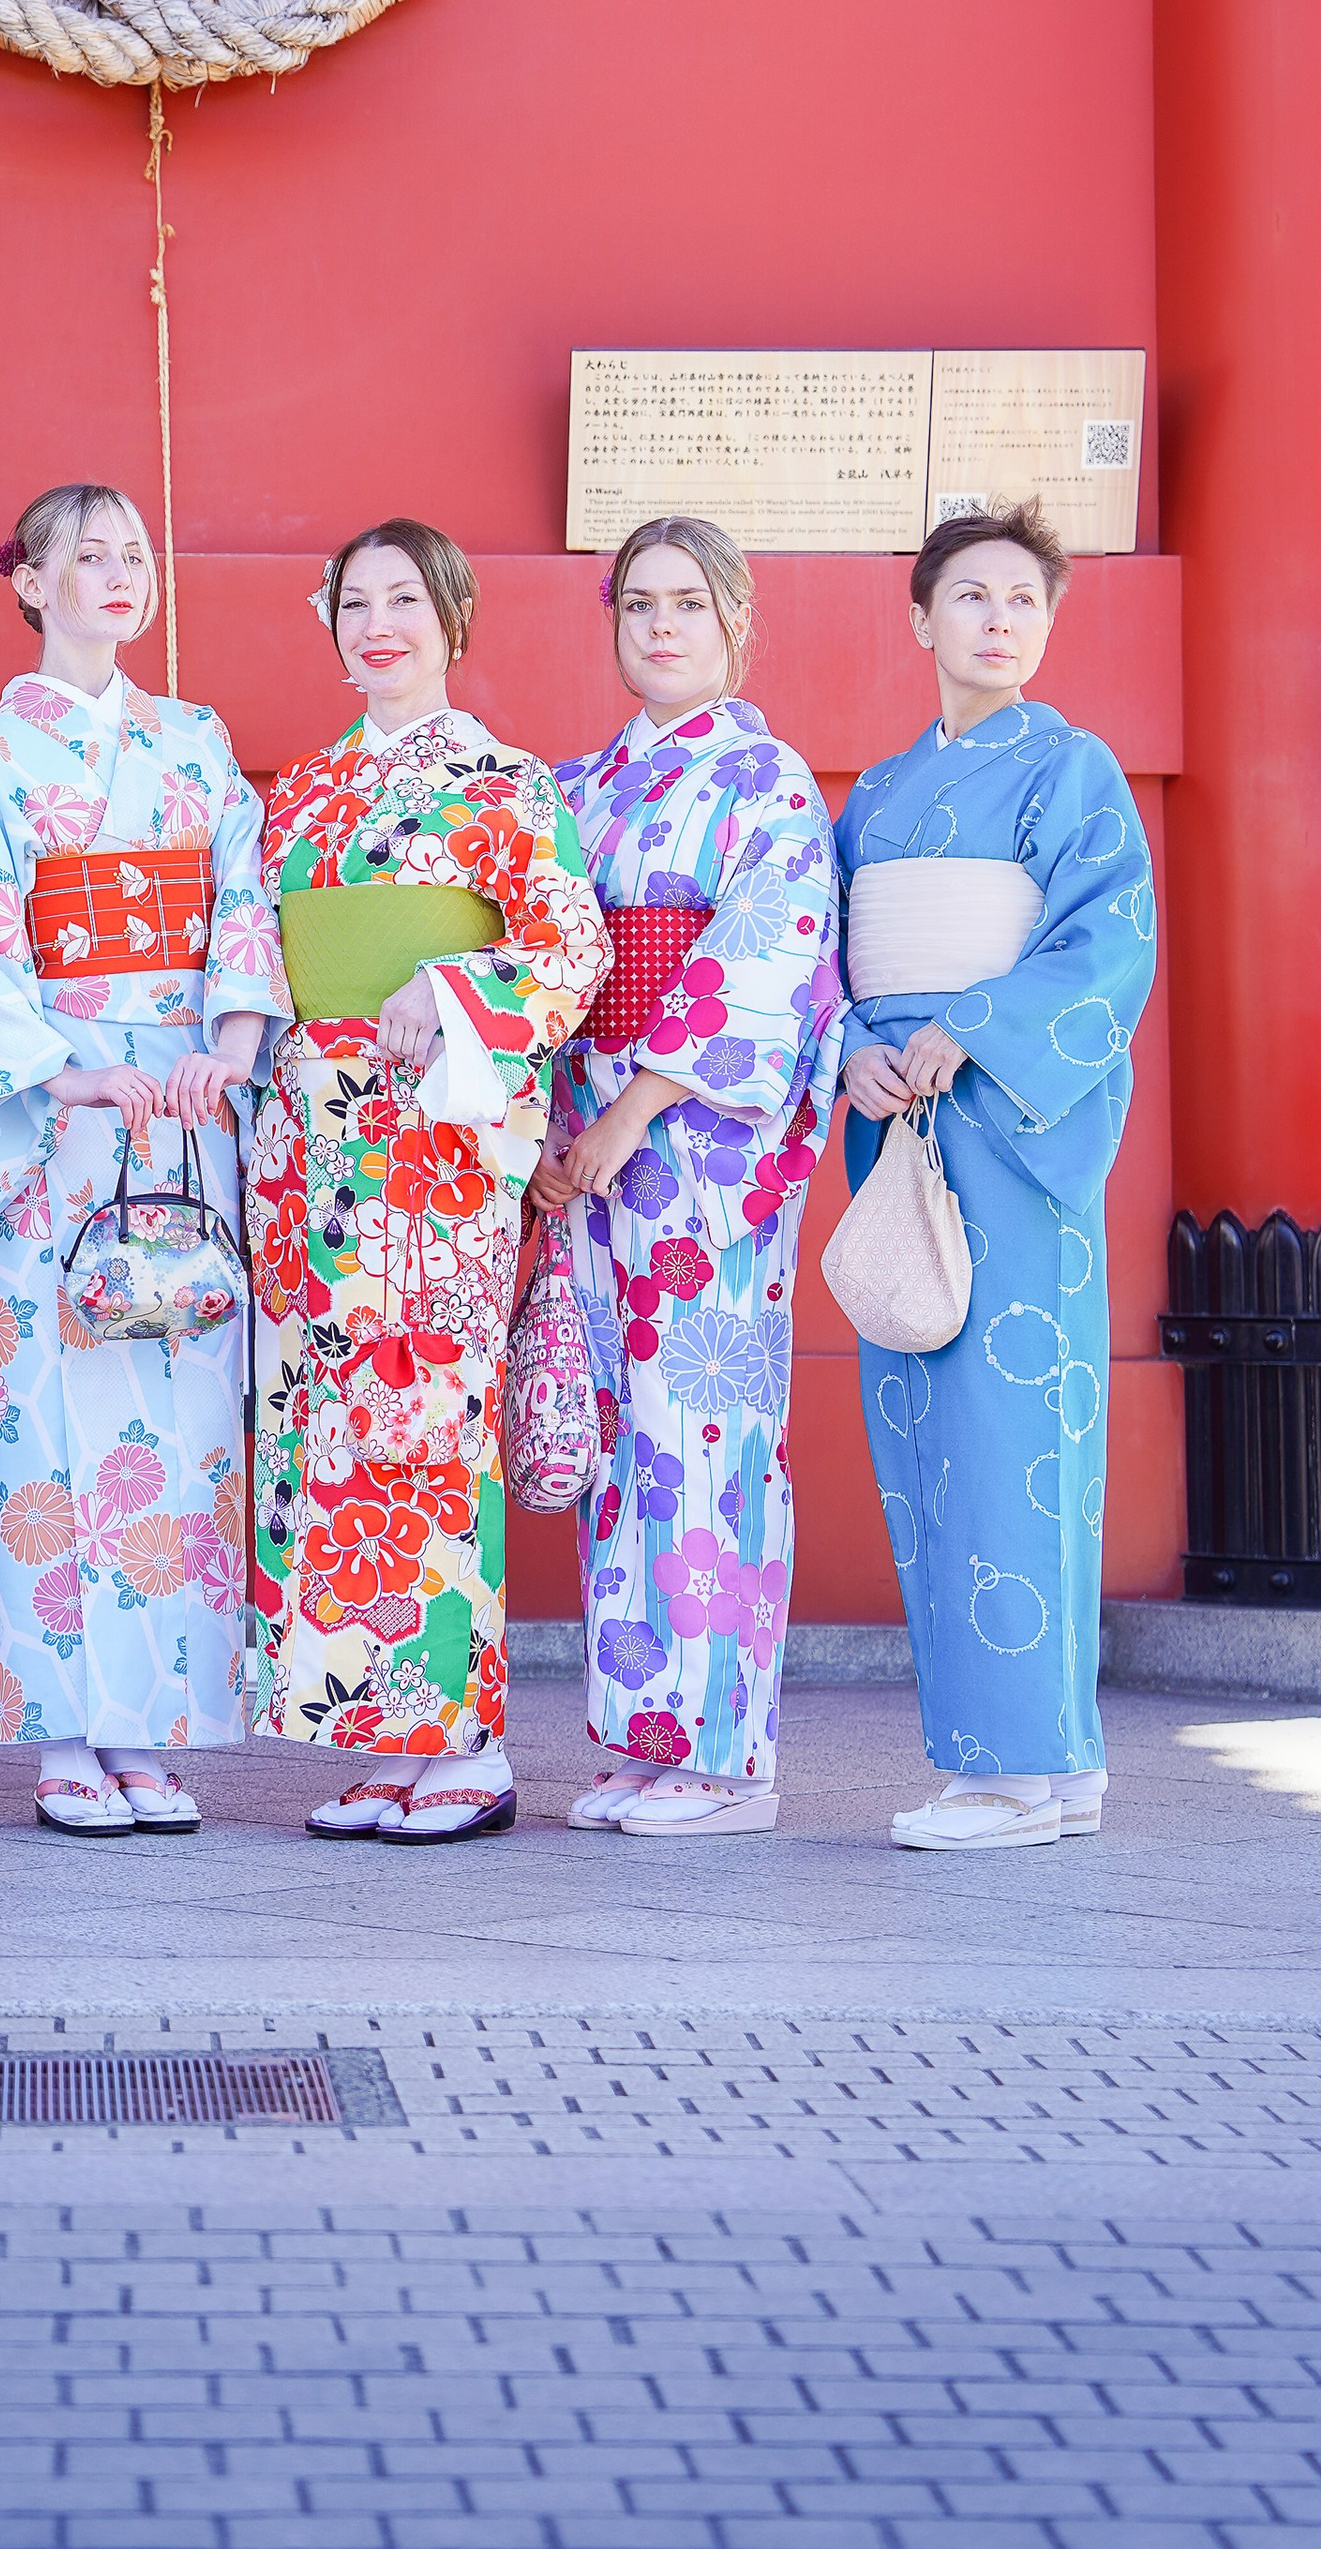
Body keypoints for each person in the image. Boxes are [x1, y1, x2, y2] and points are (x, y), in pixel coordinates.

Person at [0, 484, 286, 1835]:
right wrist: (63, 1068)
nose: (119, 575)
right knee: (47, 1423)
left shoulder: (196, 743)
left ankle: (159, 1724)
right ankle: (68, 1729)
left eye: (135, 555)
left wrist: (228, 1053)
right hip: (54, 1117)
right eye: (89, 556)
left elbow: (246, 899)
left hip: (180, 1103)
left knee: (185, 1417)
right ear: (31, 582)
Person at [249, 519, 608, 1842]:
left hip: (434, 1153)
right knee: (326, 1440)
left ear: (453, 619)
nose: (379, 623)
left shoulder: (506, 783)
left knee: (428, 1430)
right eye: (355, 601)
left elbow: (570, 947)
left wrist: (453, 982)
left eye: (406, 598)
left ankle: (466, 1745)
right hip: (311, 1154)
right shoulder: (301, 793)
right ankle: (382, 1736)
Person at [835, 502, 1155, 1854]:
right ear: (922, 621)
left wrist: (975, 1028)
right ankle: (1055, 1760)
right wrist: (854, 1052)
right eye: (970, 595)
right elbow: (842, 966)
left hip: (1012, 1130)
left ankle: (1012, 1773)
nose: (999, 617)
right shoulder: (874, 795)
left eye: (1024, 597)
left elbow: (1105, 952)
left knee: (1012, 1440)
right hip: (902, 1124)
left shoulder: (1076, 771)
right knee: (927, 1442)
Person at [535, 517, 844, 1840]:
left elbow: (760, 964)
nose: (662, 627)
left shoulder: (768, 784)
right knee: (624, 1438)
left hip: (703, 1155)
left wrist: (641, 1107)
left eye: (689, 604)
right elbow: (547, 954)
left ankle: (728, 1757)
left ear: (734, 621)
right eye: (639, 604)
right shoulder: (581, 785)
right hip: (592, 1134)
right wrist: (556, 1120)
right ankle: (644, 1735)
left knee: (704, 1434)